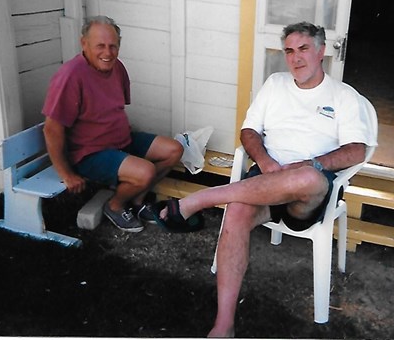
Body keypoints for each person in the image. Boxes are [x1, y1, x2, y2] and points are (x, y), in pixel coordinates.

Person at [156, 21, 377, 337]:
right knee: (236, 211)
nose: (296, 58)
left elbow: (358, 149)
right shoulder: (275, 84)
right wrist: (264, 160)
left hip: (307, 194)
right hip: (266, 177)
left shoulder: (343, 96)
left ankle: (198, 201)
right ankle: (224, 324)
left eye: (303, 49)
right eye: (289, 50)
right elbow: (248, 131)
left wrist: (314, 163)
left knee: (307, 178)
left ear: (321, 51)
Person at [42, 15, 184, 233]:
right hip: (90, 153)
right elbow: (52, 129)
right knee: (145, 171)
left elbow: (113, 110)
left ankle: (137, 201)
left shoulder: (117, 67)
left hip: (120, 142)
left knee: (174, 150)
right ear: (84, 44)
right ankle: (115, 205)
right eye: (100, 46)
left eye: (113, 46)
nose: (107, 53)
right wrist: (66, 174)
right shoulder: (70, 76)